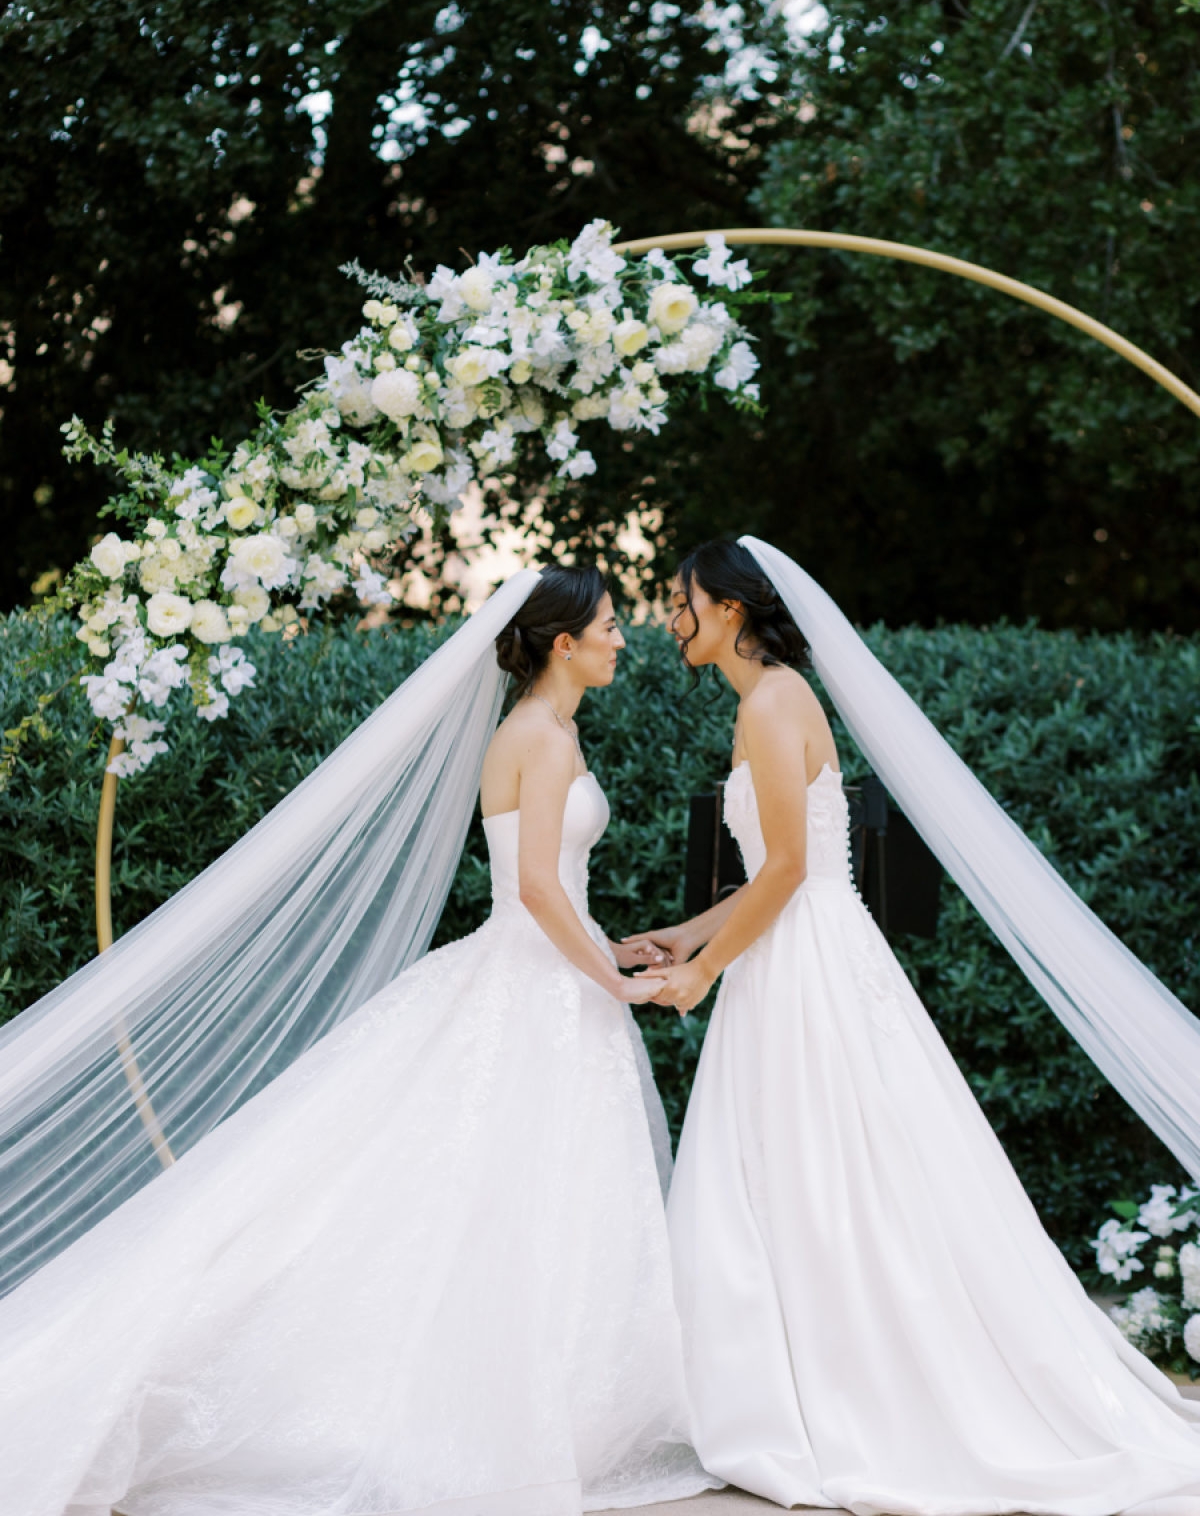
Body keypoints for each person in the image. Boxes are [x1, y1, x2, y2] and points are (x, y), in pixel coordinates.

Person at [0, 566, 717, 1516]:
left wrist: (603, 948)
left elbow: (555, 892)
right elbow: (538, 891)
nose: (624, 638)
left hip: (545, 973)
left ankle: (538, 1407)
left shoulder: (556, 731)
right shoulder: (537, 739)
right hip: (533, 980)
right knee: (487, 1194)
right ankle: (486, 1418)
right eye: (612, 626)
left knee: (527, 1198)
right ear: (562, 644)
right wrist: (614, 982)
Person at [625, 536, 1200, 1516]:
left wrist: (707, 972)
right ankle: (792, 1391)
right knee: (803, 1173)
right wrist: (681, 935)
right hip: (800, 954)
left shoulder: (770, 703)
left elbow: (788, 873)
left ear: (727, 609)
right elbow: (776, 867)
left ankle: (834, 1401)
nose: (670, 620)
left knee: (816, 1173)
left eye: (680, 603)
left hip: (801, 970)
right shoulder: (769, 698)